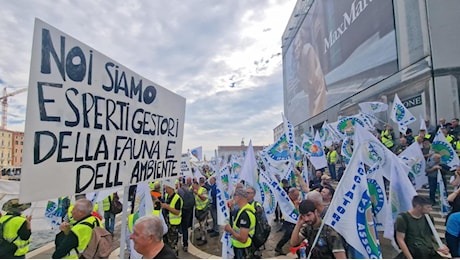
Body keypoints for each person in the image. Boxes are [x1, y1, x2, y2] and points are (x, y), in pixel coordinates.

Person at [224, 188, 255, 259]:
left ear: (239, 197)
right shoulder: (243, 209)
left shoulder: (245, 214)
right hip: (239, 247)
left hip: (242, 248)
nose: (233, 198)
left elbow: (243, 239)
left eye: (234, 195)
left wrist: (230, 230)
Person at [274, 187, 301, 256]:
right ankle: (278, 247)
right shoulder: (286, 201)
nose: (297, 197)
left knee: (295, 234)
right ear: (290, 194)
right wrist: (295, 205)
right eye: (295, 195)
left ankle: (297, 249)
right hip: (288, 220)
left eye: (298, 195)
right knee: (288, 234)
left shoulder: (295, 200)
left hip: (295, 220)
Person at [161, 179, 182, 257]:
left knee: (173, 244)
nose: (165, 188)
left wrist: (167, 207)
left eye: (166, 187)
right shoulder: (167, 196)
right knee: (166, 243)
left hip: (173, 224)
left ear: (171, 188)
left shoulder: (177, 198)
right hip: (167, 223)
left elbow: (177, 212)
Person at [192, 180, 209, 245]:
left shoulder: (203, 190)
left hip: (203, 209)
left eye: (194, 187)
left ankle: (204, 239)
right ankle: (201, 236)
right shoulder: (194, 190)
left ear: (197, 185)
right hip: (198, 210)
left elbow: (204, 198)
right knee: (200, 225)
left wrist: (198, 194)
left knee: (203, 225)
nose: (193, 188)